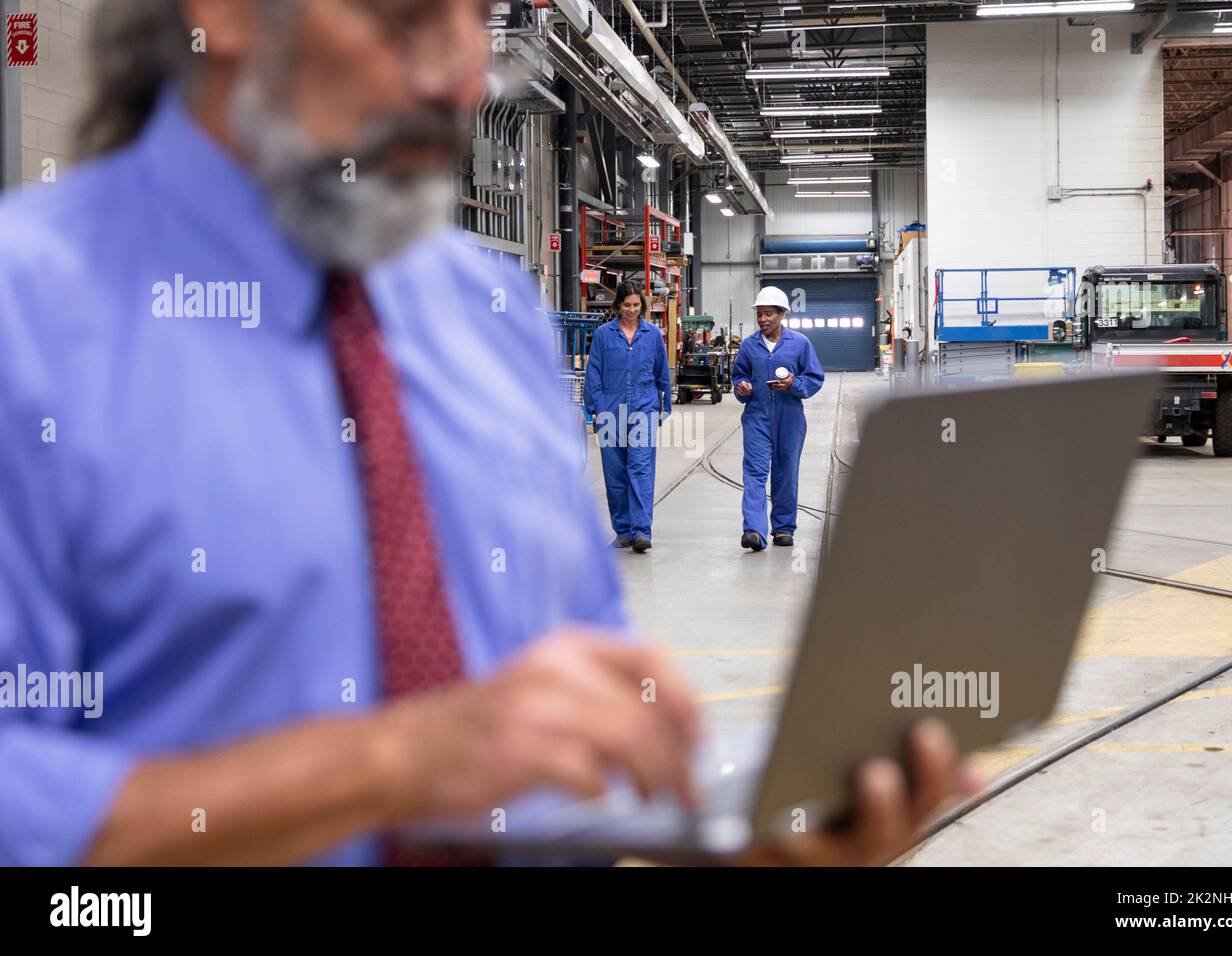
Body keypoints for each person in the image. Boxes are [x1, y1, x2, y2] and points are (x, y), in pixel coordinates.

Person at [0, 0, 973, 866]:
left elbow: (568, 752)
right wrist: (397, 761)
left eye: (478, 21)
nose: (461, 75)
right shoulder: (30, 322)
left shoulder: (488, 315)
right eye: (411, 20)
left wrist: (729, 841)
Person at [732, 287, 826, 551]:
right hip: (757, 417)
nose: (763, 319)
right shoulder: (749, 346)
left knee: (786, 472)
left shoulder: (799, 344)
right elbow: (739, 376)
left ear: (782, 314)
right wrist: (742, 388)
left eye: (768, 314)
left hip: (790, 418)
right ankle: (754, 530)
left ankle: (783, 528)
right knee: (754, 472)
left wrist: (794, 384)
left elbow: (815, 378)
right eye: (760, 314)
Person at [584, 281, 670, 553]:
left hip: (643, 410)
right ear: (617, 306)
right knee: (615, 472)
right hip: (609, 411)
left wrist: (662, 407)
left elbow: (662, 374)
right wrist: (595, 407)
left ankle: (642, 531)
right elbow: (593, 373)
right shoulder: (603, 335)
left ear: (642, 306)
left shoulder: (653, 335)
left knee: (641, 469)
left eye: (636, 305)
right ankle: (623, 531)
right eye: (626, 305)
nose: (631, 310)